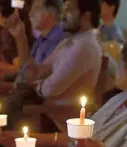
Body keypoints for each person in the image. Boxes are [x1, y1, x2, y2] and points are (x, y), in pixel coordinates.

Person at [0, 39, 127, 147]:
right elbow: (77, 139)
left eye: (120, 65)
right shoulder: (119, 100)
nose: (115, 70)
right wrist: (28, 138)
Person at [6, 0, 103, 129]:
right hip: (40, 112)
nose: (62, 15)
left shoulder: (84, 46)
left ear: (86, 16)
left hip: (53, 120)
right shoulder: (71, 41)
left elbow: (48, 89)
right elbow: (34, 73)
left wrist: (35, 83)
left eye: (68, 10)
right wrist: (20, 37)